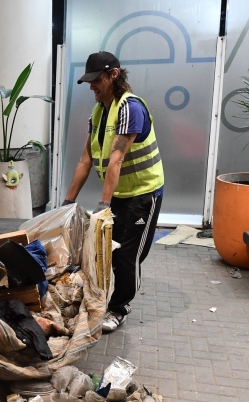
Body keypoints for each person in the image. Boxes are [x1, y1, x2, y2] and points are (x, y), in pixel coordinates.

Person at [63, 51, 164, 333]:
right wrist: (68, 201)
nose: (92, 86)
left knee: (127, 254)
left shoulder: (130, 108)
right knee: (106, 251)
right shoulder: (99, 111)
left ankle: (120, 308)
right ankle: (106, 299)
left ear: (113, 75)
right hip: (120, 194)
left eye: (97, 80)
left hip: (143, 194)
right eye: (89, 81)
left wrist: (103, 202)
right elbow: (86, 159)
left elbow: (117, 158)